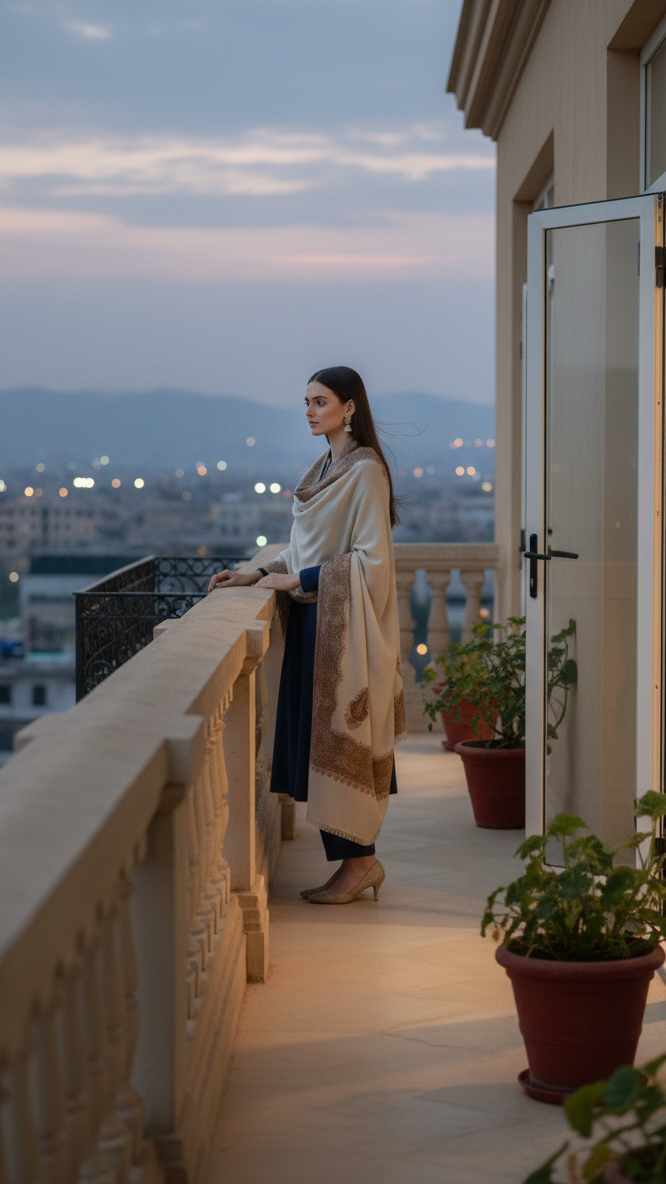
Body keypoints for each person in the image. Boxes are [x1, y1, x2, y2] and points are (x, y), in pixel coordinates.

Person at [208, 366, 406, 904]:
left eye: (321, 402)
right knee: (315, 747)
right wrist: (259, 572)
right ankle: (354, 864)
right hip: (316, 623)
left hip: (344, 632)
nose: (310, 411)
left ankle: (360, 863)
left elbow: (374, 562)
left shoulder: (364, 472)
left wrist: (303, 578)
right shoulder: (324, 469)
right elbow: (303, 552)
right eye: (306, 402)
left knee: (340, 743)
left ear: (350, 408)